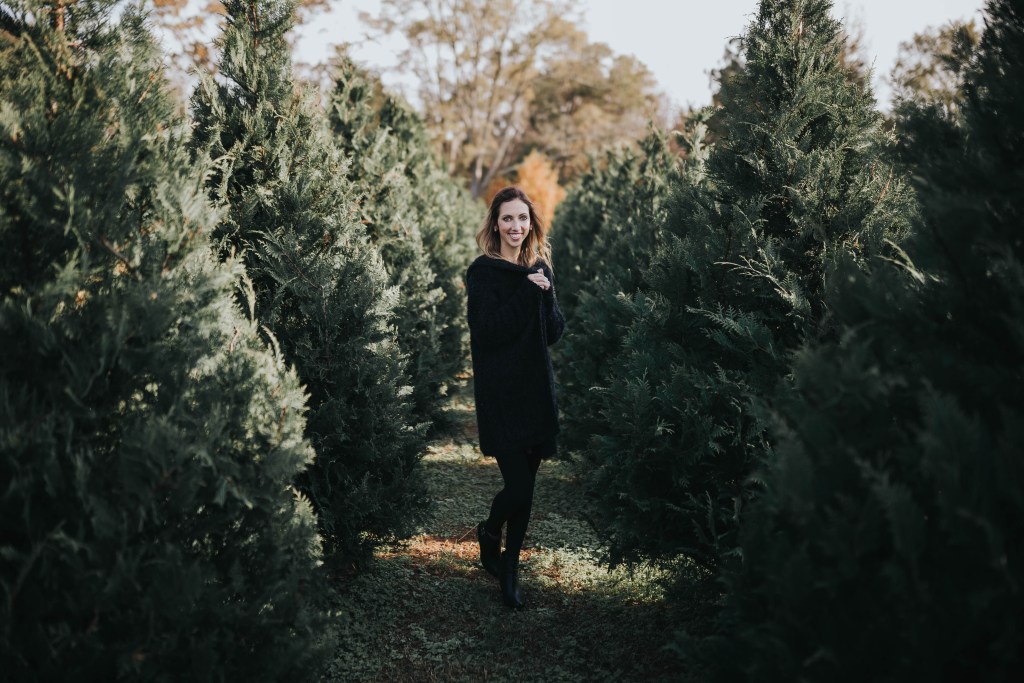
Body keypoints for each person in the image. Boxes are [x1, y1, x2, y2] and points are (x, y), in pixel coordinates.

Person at [466, 186, 565, 609]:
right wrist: (526, 291)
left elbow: (554, 332)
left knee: (528, 489)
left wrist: (546, 294)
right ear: (495, 223)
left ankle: (510, 569)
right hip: (501, 394)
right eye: (507, 218)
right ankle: (490, 531)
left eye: (522, 218)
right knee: (518, 487)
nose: (515, 226)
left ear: (531, 223)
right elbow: (488, 331)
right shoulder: (483, 273)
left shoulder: (539, 268)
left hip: (535, 391)